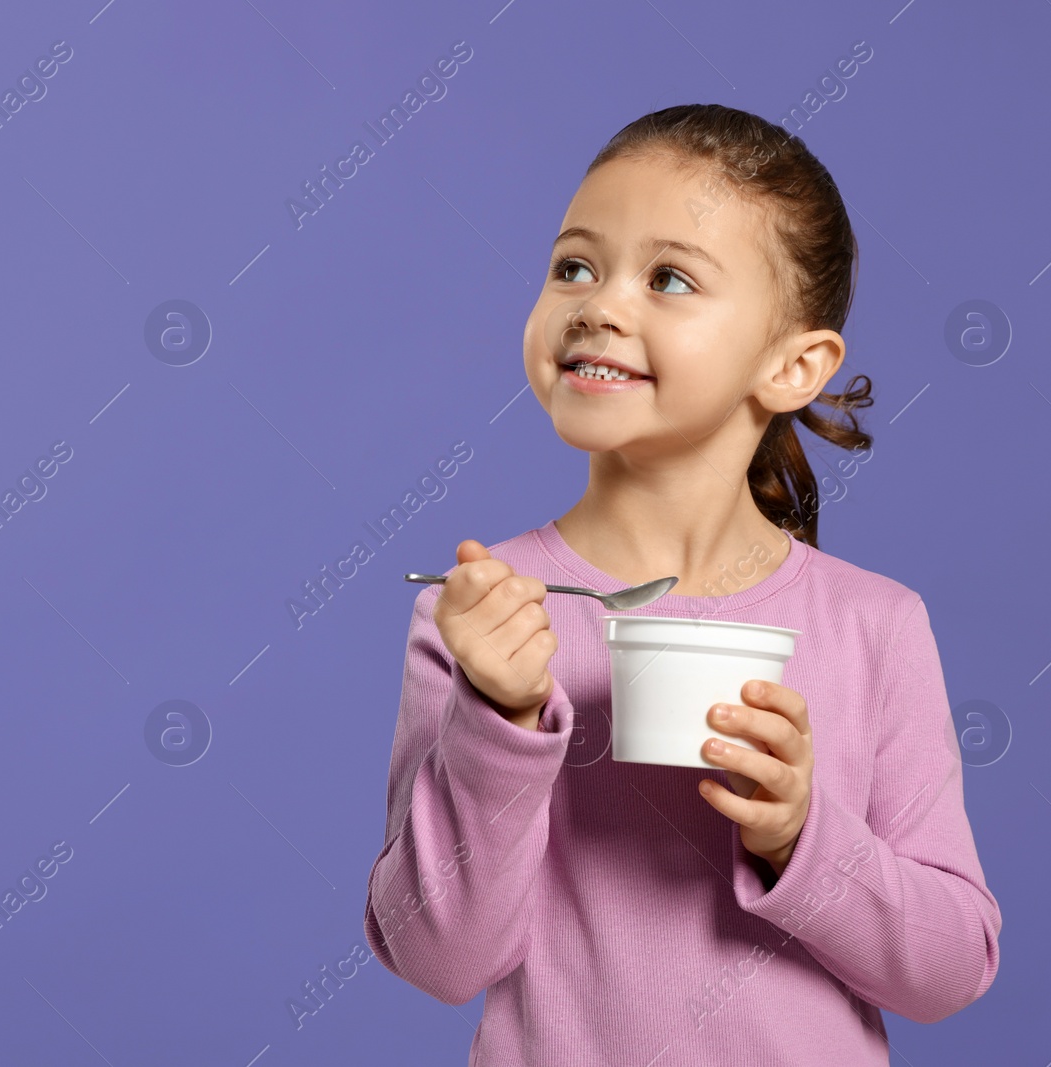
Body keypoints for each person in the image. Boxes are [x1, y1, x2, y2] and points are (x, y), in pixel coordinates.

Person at [362, 103, 1000, 1065]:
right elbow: (438, 957)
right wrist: (498, 718)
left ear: (793, 364)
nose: (599, 304)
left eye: (668, 279)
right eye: (575, 265)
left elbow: (950, 971)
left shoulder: (874, 625)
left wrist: (801, 836)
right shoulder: (480, 617)